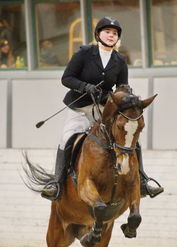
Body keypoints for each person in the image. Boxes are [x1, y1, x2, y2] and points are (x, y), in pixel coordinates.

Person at [41, 16, 163, 201]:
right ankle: (57, 183)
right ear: (98, 34)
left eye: (114, 33)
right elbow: (67, 78)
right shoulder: (84, 53)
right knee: (67, 137)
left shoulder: (120, 60)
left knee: (130, 141)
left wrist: (124, 94)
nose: (111, 35)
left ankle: (143, 180)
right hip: (80, 108)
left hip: (104, 111)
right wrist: (85, 87)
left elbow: (122, 86)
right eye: (107, 32)